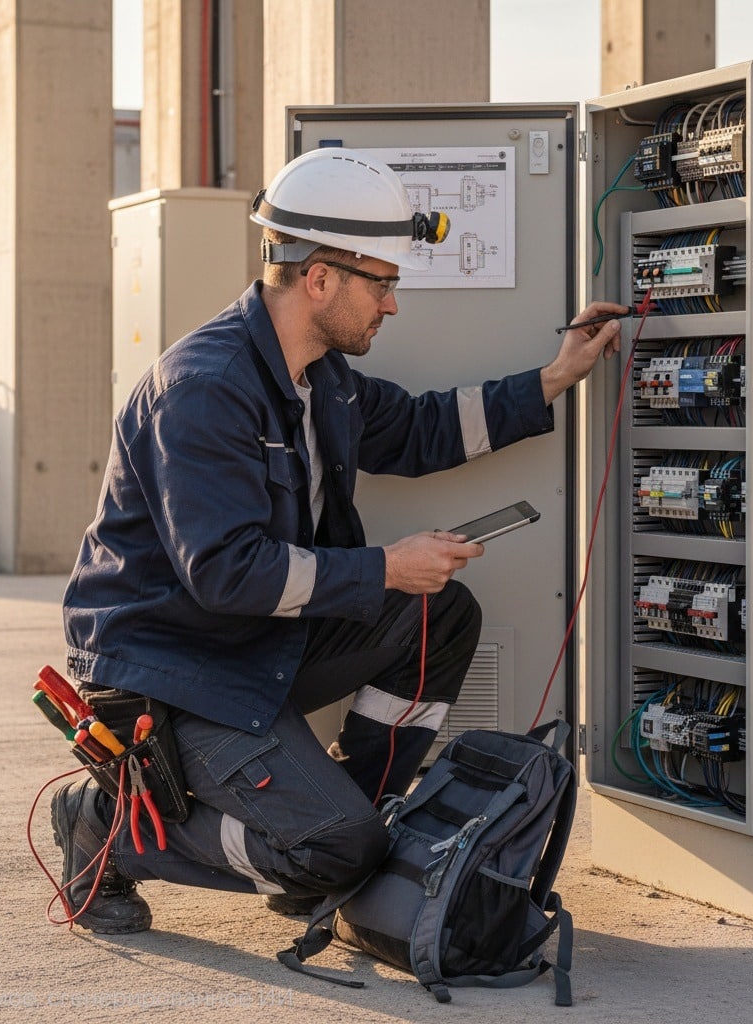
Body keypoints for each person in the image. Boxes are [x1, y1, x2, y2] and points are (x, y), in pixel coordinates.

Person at [51, 147, 624, 934]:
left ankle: (350, 816)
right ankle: (106, 827)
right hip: (179, 673)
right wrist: (386, 566)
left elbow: (424, 428)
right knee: (337, 850)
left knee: (439, 613)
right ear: (319, 276)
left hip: (253, 643)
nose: (392, 305)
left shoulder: (321, 376)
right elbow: (225, 574)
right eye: (382, 283)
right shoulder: (206, 389)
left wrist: (557, 376)